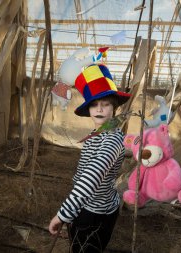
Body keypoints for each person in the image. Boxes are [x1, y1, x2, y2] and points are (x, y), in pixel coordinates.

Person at [48, 64, 131, 252]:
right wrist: (73, 210)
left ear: (114, 107)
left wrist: (63, 215)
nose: (99, 109)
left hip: (96, 212)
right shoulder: (98, 132)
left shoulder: (112, 139)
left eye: (105, 103)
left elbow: (92, 175)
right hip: (86, 204)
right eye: (94, 104)